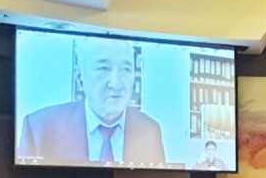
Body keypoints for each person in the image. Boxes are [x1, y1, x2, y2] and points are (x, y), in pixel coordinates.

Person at [17, 36, 166, 164]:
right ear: (80, 78)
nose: (116, 84)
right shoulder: (39, 127)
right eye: (103, 68)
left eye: (125, 69)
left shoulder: (150, 129)